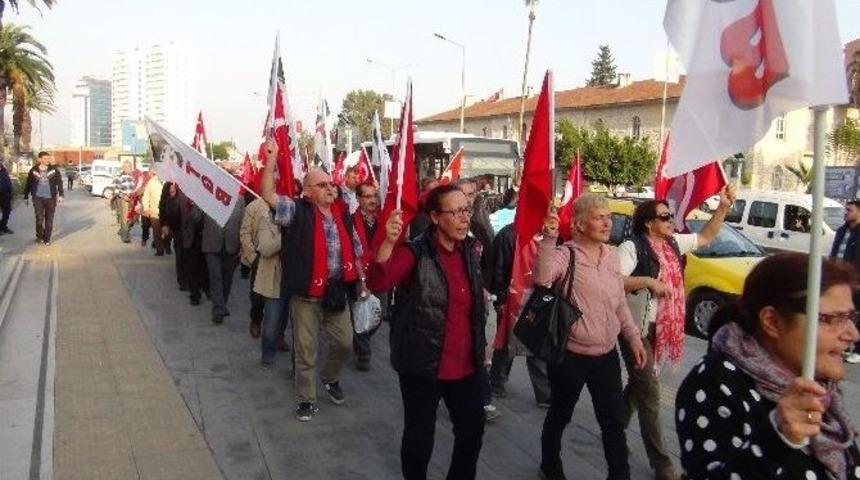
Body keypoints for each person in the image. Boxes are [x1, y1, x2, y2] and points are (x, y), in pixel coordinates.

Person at [676, 253, 860, 479]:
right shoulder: (717, 382)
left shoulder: (815, 381)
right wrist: (777, 438)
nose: (852, 334)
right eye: (832, 319)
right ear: (772, 322)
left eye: (850, 317)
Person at [367, 184, 487, 480]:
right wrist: (387, 242)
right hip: (423, 364)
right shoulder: (415, 252)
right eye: (455, 212)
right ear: (434, 216)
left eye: (466, 210)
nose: (464, 218)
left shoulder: (470, 249)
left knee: (472, 433)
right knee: (420, 436)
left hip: (467, 364)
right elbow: (379, 282)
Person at [616, 185, 736, 480]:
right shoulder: (632, 247)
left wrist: (722, 207)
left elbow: (706, 236)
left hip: (663, 328)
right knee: (650, 394)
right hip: (636, 327)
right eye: (665, 217)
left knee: (639, 385)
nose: (671, 221)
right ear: (649, 223)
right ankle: (662, 463)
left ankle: (613, 430)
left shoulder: (672, 245)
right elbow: (615, 280)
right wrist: (646, 280)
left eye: (670, 216)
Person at [535, 193, 646, 480]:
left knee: (613, 421)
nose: (607, 222)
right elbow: (542, 280)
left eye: (608, 216)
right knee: (561, 413)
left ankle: (619, 474)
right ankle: (550, 464)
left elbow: (619, 301)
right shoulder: (566, 254)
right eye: (599, 217)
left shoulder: (611, 255)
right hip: (570, 356)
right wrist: (549, 239)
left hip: (606, 355)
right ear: (580, 224)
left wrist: (633, 338)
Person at [260, 139, 362, 422]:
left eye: (331, 184)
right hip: (306, 295)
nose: (331, 188)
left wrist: (362, 279)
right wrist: (272, 158)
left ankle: (330, 378)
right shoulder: (296, 210)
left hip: (336, 293)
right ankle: (306, 399)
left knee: (345, 344)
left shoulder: (343, 215)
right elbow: (267, 193)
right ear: (307, 191)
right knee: (306, 351)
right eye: (322, 185)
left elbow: (355, 249)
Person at [488, 222, 552, 407]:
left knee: (537, 347)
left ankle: (544, 394)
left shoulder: (549, 232)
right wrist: (500, 298)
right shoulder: (508, 234)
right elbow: (498, 267)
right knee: (506, 345)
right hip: (512, 297)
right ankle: (497, 383)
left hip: (539, 299)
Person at [351, 181, 383, 371]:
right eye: (368, 196)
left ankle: (360, 338)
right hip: (359, 273)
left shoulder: (382, 220)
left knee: (379, 313)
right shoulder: (351, 220)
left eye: (374, 196)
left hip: (379, 274)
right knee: (362, 313)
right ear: (358, 199)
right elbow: (352, 253)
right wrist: (361, 279)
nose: (372, 200)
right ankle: (363, 352)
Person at [201, 197, 245, 324]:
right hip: (211, 244)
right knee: (216, 278)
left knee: (227, 278)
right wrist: (196, 203)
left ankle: (221, 304)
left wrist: (243, 245)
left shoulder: (240, 200)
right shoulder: (207, 196)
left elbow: (243, 224)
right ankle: (218, 309)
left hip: (232, 244)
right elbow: (196, 217)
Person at [830, 199, 860, 364]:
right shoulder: (842, 231)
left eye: (849, 210)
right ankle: (841, 346)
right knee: (842, 314)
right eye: (846, 210)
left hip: (856, 282)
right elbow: (835, 253)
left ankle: (858, 350)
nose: (846, 213)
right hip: (839, 280)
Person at [240, 192, 269, 339]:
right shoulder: (254, 206)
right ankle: (256, 320)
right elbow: (245, 233)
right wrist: (252, 257)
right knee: (257, 295)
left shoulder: (286, 203)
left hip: (280, 260)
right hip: (259, 258)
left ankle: (279, 334)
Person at [23, 151, 64, 245]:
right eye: (45, 159)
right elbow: (28, 183)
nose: (47, 160)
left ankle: (47, 239)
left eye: (48, 158)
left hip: (51, 198)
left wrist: (61, 195)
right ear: (40, 159)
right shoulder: (33, 170)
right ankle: (39, 236)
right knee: (39, 219)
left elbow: (59, 182)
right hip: (38, 198)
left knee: (49, 219)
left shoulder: (54, 170)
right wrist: (25, 196)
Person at [159, 182, 184, 286]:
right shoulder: (168, 184)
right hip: (176, 226)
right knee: (179, 254)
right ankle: (182, 280)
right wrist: (164, 223)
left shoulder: (187, 181)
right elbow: (162, 205)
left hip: (188, 225)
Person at [140, 170, 165, 256]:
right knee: (157, 232)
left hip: (167, 212)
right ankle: (159, 250)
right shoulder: (152, 182)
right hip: (155, 211)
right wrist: (146, 209)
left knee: (167, 232)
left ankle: (166, 245)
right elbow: (146, 196)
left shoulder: (168, 181)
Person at [113, 162, 137, 244]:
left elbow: (134, 187)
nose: (130, 168)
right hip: (123, 199)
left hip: (132, 199)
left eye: (130, 167)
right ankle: (125, 237)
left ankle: (122, 230)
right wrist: (124, 196)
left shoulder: (131, 176)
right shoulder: (119, 176)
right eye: (128, 167)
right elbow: (116, 190)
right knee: (125, 218)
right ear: (124, 168)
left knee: (134, 218)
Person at [0, 161, 13, 235]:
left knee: (7, 212)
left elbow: (8, 184)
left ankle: (3, 227)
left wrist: (10, 194)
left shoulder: (4, 172)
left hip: (6, 196)